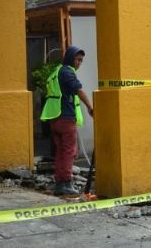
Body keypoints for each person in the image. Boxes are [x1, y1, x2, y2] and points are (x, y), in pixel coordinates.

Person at [40, 46, 94, 196]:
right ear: (70, 58)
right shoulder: (67, 72)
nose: (79, 63)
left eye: (81, 60)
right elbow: (79, 90)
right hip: (65, 118)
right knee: (69, 151)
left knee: (61, 151)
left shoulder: (57, 72)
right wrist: (90, 107)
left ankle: (60, 183)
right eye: (77, 59)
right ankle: (65, 183)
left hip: (55, 118)